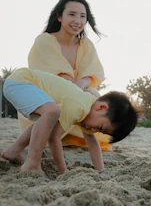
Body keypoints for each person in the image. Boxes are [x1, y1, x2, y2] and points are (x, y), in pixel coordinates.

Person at [19, 0, 112, 151]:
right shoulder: (44, 40)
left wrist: (82, 85)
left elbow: (91, 75)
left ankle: (77, 134)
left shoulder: (86, 45)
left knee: (95, 99)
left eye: (83, 16)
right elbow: (55, 76)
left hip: (78, 93)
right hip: (50, 95)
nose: (78, 21)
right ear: (59, 16)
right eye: (72, 14)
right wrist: (78, 90)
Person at [2, 68, 138, 176]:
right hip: (21, 81)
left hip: (21, 83)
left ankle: (13, 151)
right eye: (101, 127)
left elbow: (92, 144)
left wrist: (101, 171)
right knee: (52, 112)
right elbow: (54, 138)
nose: (95, 130)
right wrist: (63, 171)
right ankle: (32, 164)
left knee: (47, 121)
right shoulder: (80, 105)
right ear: (101, 108)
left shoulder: (88, 112)